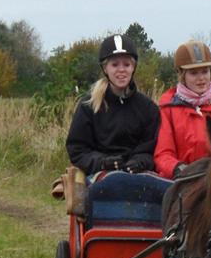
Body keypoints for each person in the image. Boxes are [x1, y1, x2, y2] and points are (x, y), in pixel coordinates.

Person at [65, 34, 161, 176]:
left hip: (139, 175)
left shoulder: (148, 108)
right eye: (115, 64)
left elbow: (151, 149)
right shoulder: (89, 105)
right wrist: (102, 162)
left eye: (126, 64)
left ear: (133, 68)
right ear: (105, 69)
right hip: (100, 174)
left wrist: (140, 161)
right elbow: (77, 149)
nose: (121, 70)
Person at [153, 40, 211, 179]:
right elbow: (163, 154)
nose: (201, 79)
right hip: (180, 180)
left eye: (205, 72)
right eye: (193, 73)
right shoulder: (168, 108)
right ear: (182, 75)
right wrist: (178, 169)